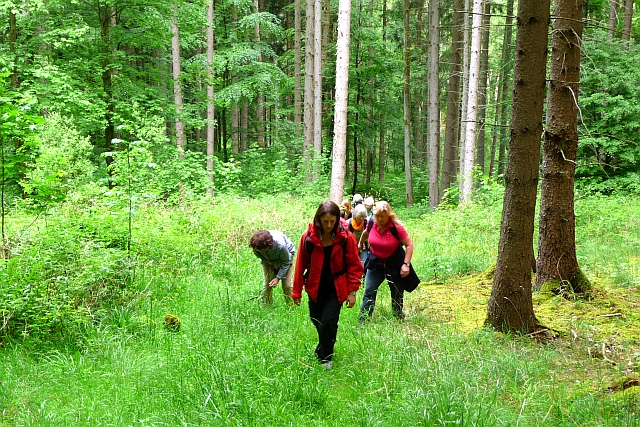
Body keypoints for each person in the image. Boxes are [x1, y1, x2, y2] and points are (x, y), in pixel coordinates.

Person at [292, 201, 364, 370]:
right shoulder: (308, 237)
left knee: (329, 322)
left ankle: (326, 358)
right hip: (315, 285)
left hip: (336, 287)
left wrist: (352, 291)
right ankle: (323, 346)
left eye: (333, 221)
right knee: (317, 320)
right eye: (326, 222)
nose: (330, 225)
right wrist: (296, 292)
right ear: (319, 219)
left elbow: (354, 264)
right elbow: (300, 263)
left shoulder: (346, 237)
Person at [358, 201, 419, 322]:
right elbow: (366, 233)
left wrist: (406, 264)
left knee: (397, 291)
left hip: (394, 263)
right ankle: (363, 320)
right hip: (375, 263)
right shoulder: (371, 223)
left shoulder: (396, 228)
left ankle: (398, 316)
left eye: (383, 216)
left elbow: (409, 245)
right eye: (378, 216)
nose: (380, 219)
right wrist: (360, 243)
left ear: (389, 216)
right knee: (369, 290)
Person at [249, 230, 296, 305]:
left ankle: (291, 306)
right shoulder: (256, 247)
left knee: (287, 285)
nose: (261, 251)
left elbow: (286, 262)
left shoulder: (281, 246)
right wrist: (270, 263)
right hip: (267, 260)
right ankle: (267, 305)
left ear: (269, 245)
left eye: (263, 249)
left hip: (285, 259)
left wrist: (278, 277)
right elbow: (260, 255)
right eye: (259, 250)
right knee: (267, 283)